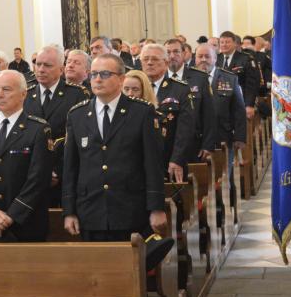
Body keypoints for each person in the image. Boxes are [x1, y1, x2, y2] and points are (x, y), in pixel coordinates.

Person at [62, 54, 165, 241]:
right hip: (90, 210)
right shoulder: (77, 114)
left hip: (130, 209)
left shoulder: (141, 112)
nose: (97, 79)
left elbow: (153, 164)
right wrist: (69, 211)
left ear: (121, 79)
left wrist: (156, 208)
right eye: (93, 74)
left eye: (105, 74)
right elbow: (70, 167)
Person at [0, 70, 53, 242]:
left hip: (25, 223)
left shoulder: (38, 129)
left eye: (6, 89)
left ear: (23, 94)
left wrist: (11, 216)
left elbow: (38, 179)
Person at [23, 45, 88, 206]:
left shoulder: (77, 94)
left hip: (65, 174)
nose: (41, 69)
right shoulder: (25, 94)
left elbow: (79, 138)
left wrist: (58, 170)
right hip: (29, 174)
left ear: (61, 70)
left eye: (47, 65)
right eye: (38, 64)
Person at [140, 43, 200, 183]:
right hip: (140, 159)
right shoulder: (134, 88)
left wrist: (177, 159)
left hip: (169, 157)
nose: (149, 63)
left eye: (155, 59)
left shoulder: (180, 89)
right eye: (146, 59)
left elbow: (185, 129)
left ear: (166, 63)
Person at [196, 43, 246, 176]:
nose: (203, 60)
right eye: (200, 56)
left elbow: (239, 110)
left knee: (224, 177)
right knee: (200, 177)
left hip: (223, 136)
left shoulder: (230, 78)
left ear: (215, 58)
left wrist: (240, 137)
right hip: (196, 139)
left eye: (207, 56)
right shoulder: (188, 79)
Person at [165, 38, 216, 160]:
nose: (172, 56)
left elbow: (209, 114)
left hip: (194, 144)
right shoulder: (159, 77)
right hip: (166, 143)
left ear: (184, 54)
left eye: (176, 51)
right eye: (168, 52)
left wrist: (207, 145)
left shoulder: (199, 77)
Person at [216, 31, 260, 119]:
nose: (224, 45)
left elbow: (251, 84)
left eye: (227, 42)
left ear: (234, 43)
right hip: (219, 104)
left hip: (239, 102)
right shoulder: (216, 58)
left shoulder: (246, 58)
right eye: (222, 42)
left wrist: (249, 105)